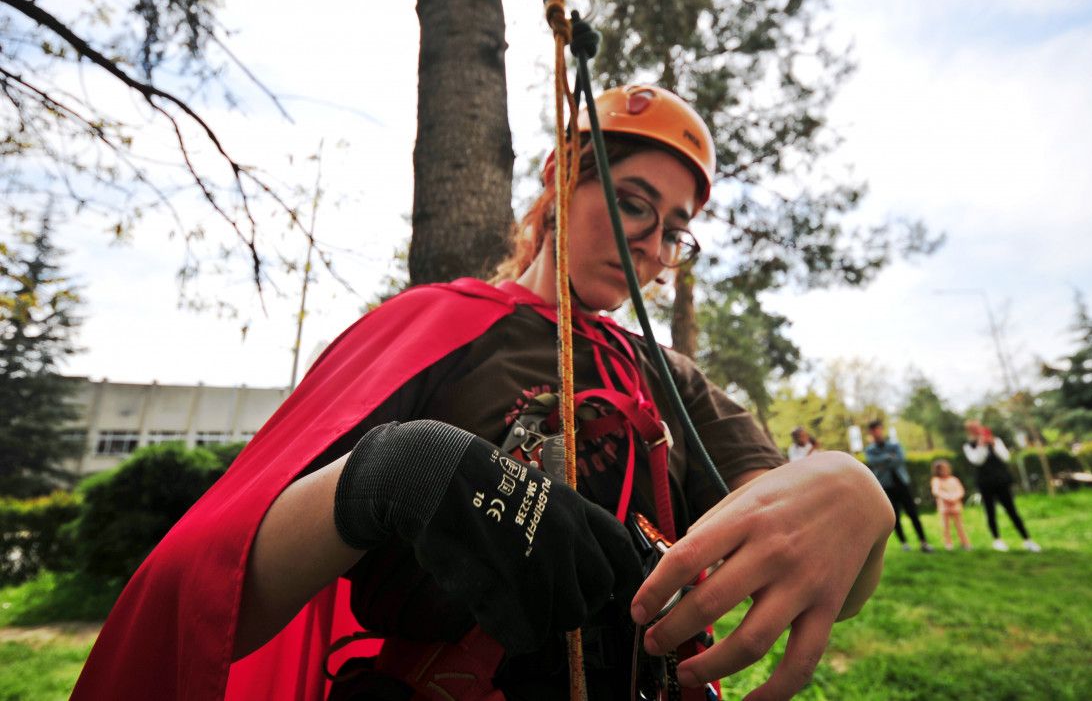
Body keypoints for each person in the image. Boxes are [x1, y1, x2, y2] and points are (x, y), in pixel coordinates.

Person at [72, 85, 895, 701]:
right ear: (556, 180)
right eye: (630, 203)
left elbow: (826, 572)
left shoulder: (672, 377)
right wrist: (393, 474)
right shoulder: (432, 325)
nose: (652, 242)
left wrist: (853, 499)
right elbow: (220, 601)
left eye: (674, 230)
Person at [963, 420, 1040, 552]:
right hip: (985, 483)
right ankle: (997, 540)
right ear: (970, 431)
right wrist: (982, 446)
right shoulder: (969, 446)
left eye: (978, 427)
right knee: (990, 512)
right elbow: (977, 461)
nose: (977, 430)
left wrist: (992, 444)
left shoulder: (996, 441)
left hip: (1001, 481)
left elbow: (1006, 457)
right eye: (974, 429)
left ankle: (1027, 540)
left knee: (1012, 511)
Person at [864, 419, 933, 552]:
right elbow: (873, 462)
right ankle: (904, 543)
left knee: (913, 513)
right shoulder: (870, 450)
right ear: (871, 432)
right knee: (894, 516)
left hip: (902, 483)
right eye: (873, 430)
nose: (876, 432)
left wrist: (882, 461)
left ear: (881, 429)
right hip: (886, 486)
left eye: (878, 429)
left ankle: (923, 542)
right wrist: (889, 457)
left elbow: (900, 460)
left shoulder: (895, 445)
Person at [929, 459, 971, 551]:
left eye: (946, 469)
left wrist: (955, 498)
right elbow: (936, 491)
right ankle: (948, 544)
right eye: (941, 469)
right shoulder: (936, 480)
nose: (944, 471)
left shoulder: (954, 479)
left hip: (956, 506)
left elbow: (960, 491)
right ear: (937, 471)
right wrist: (947, 497)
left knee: (960, 525)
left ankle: (965, 543)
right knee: (945, 526)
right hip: (944, 507)